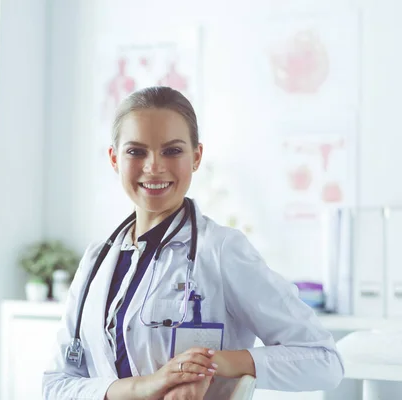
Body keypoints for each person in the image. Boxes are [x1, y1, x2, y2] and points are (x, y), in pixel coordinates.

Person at [42, 86, 344, 400]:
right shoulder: (96, 261)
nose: (154, 166)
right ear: (114, 158)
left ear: (196, 157)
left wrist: (213, 364)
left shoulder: (222, 250)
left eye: (172, 151)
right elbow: (56, 384)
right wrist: (143, 388)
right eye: (136, 151)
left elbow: (324, 361)